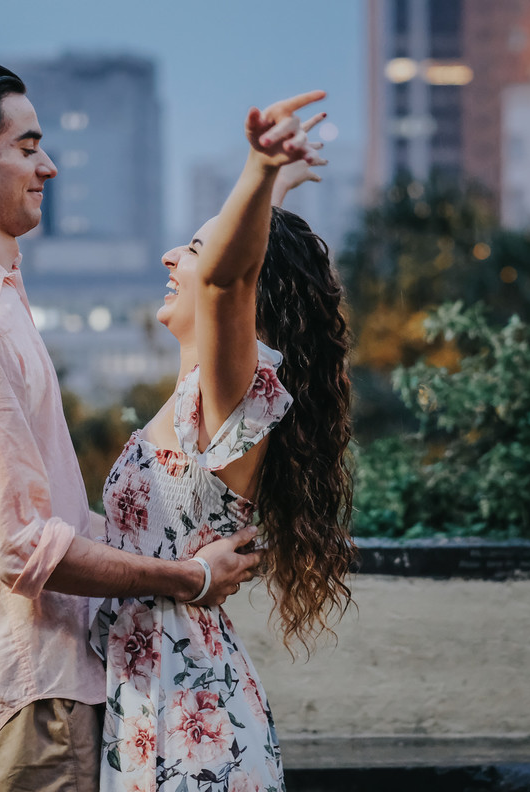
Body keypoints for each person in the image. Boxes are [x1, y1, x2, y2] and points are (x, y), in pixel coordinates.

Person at [0, 58, 262, 791]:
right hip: (33, 699)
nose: (49, 168)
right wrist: (190, 577)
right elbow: (25, 552)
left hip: (47, 691)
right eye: (27, 148)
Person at [89, 92, 357, 790]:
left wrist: (259, 173)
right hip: (160, 699)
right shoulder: (195, 403)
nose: (171, 255)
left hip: (190, 716)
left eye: (196, 247)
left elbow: (228, 276)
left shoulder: (228, 398)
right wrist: (272, 185)